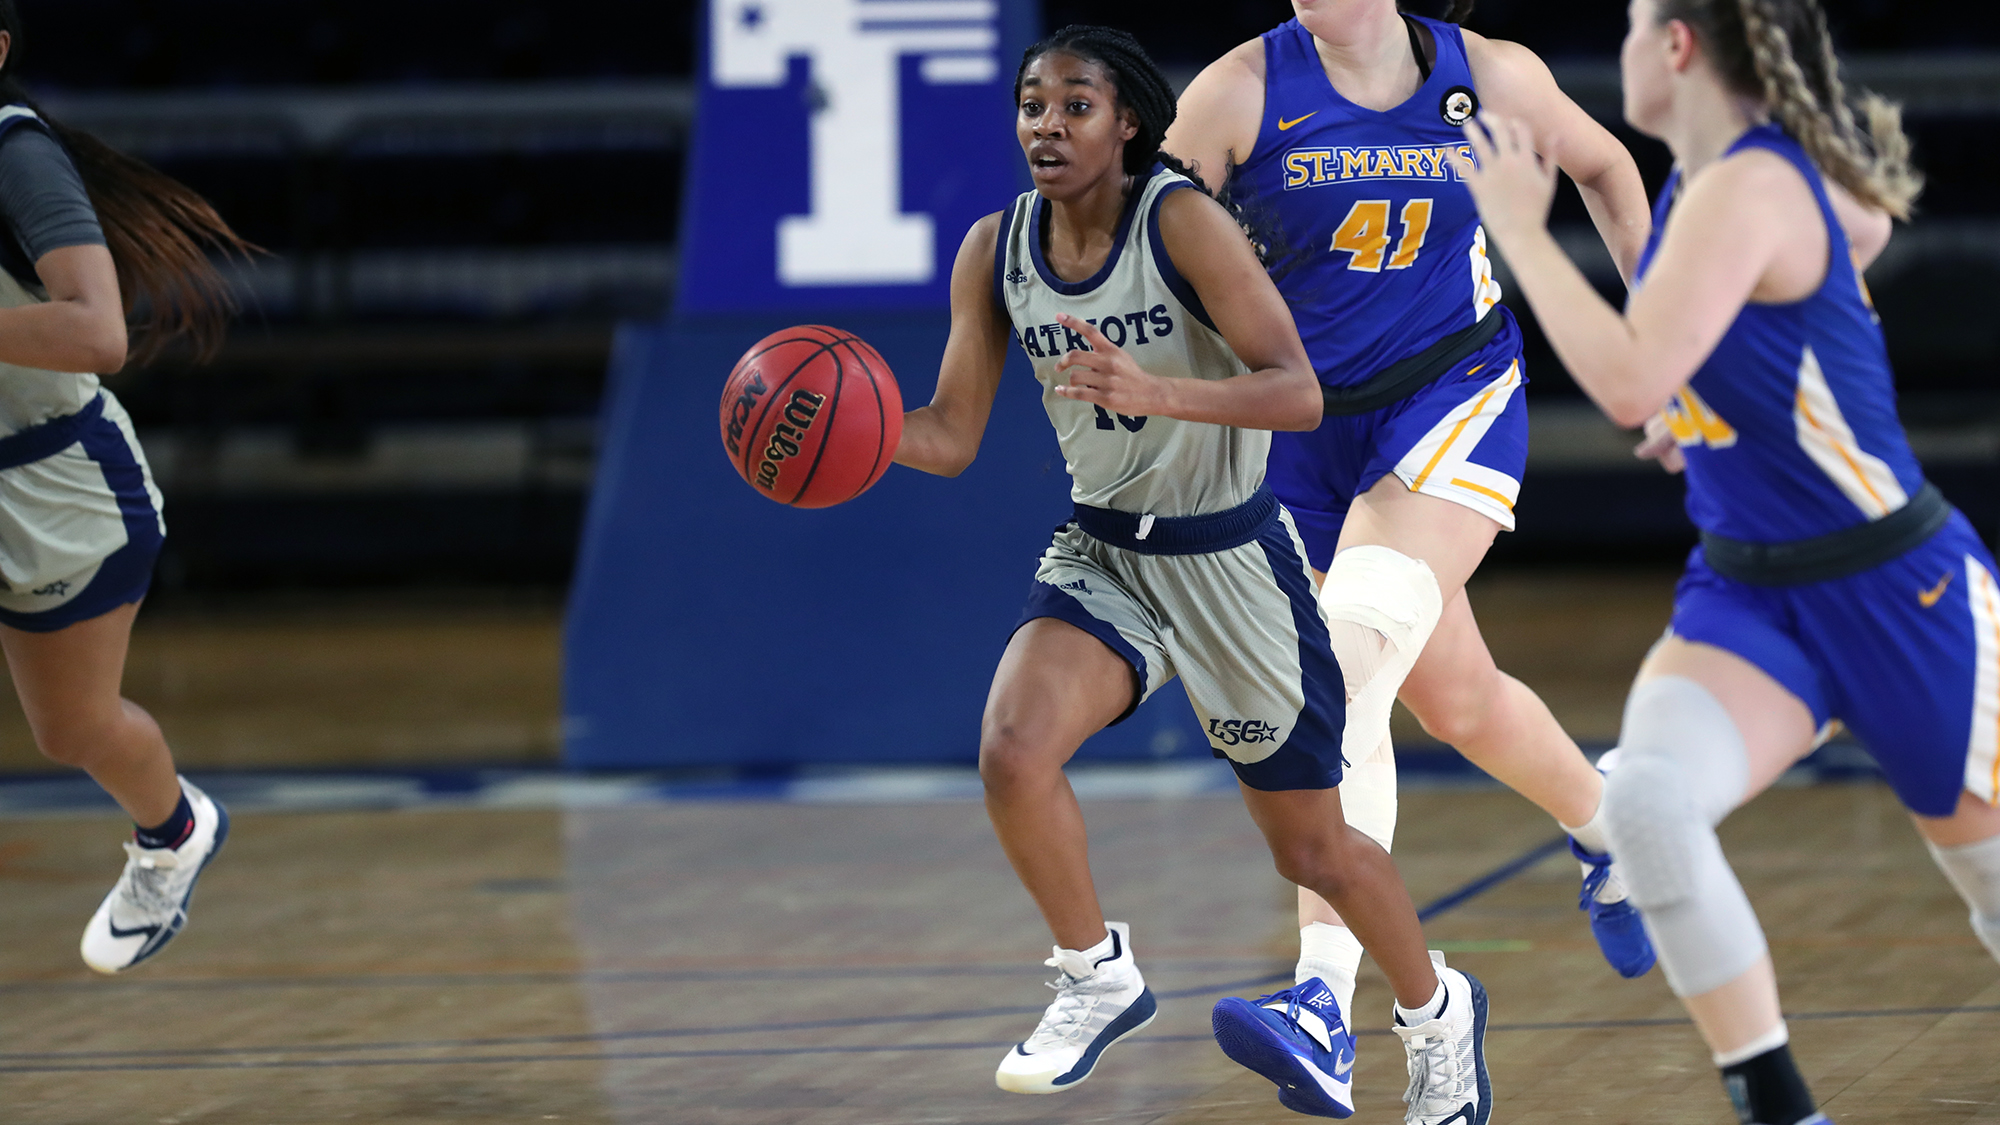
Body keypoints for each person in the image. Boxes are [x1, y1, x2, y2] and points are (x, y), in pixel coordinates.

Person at [893, 25, 1491, 1125]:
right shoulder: (995, 248)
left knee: (1314, 848)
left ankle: (1435, 1015)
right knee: (1013, 751)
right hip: (1107, 550)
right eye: (1031, 106)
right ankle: (1093, 974)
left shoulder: (1182, 225)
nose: (1046, 125)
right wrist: (855, 432)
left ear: (1126, 124)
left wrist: (1157, 389)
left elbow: (1295, 390)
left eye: (1075, 106)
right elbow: (949, 432)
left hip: (1230, 564)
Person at [1452, 0, 1996, 1121]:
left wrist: (1514, 227)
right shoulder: (1709, 190)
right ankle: (1777, 1104)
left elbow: (1622, 384)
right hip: (1751, 597)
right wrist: (1717, 396)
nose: (1618, 50)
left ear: (1678, 47)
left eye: (1631, 26)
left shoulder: (1749, 184)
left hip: (1901, 586)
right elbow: (1856, 238)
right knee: (1645, 805)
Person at [1164, 2, 1656, 1113]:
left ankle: (1322, 1001)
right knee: (1458, 703)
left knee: (1341, 674)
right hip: (1291, 427)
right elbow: (1148, 246)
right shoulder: (1235, 90)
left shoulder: (1489, 75)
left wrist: (1659, 336)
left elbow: (1608, 168)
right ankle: (1612, 825)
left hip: (1447, 395)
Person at [0, 0, 251, 973]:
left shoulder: (17, 158)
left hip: (51, 484)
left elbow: (100, 333)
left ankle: (174, 831)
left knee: (74, 729)